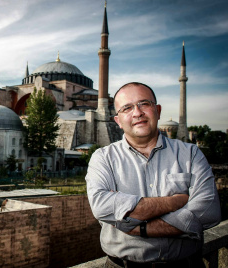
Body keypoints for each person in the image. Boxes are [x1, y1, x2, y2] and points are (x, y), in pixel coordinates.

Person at [86, 82, 221, 267]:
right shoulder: (103, 158)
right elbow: (102, 206)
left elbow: (208, 212)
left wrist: (140, 226)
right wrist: (174, 202)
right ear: (117, 120)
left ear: (157, 110)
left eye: (144, 104)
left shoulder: (190, 154)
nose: (137, 112)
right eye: (127, 108)